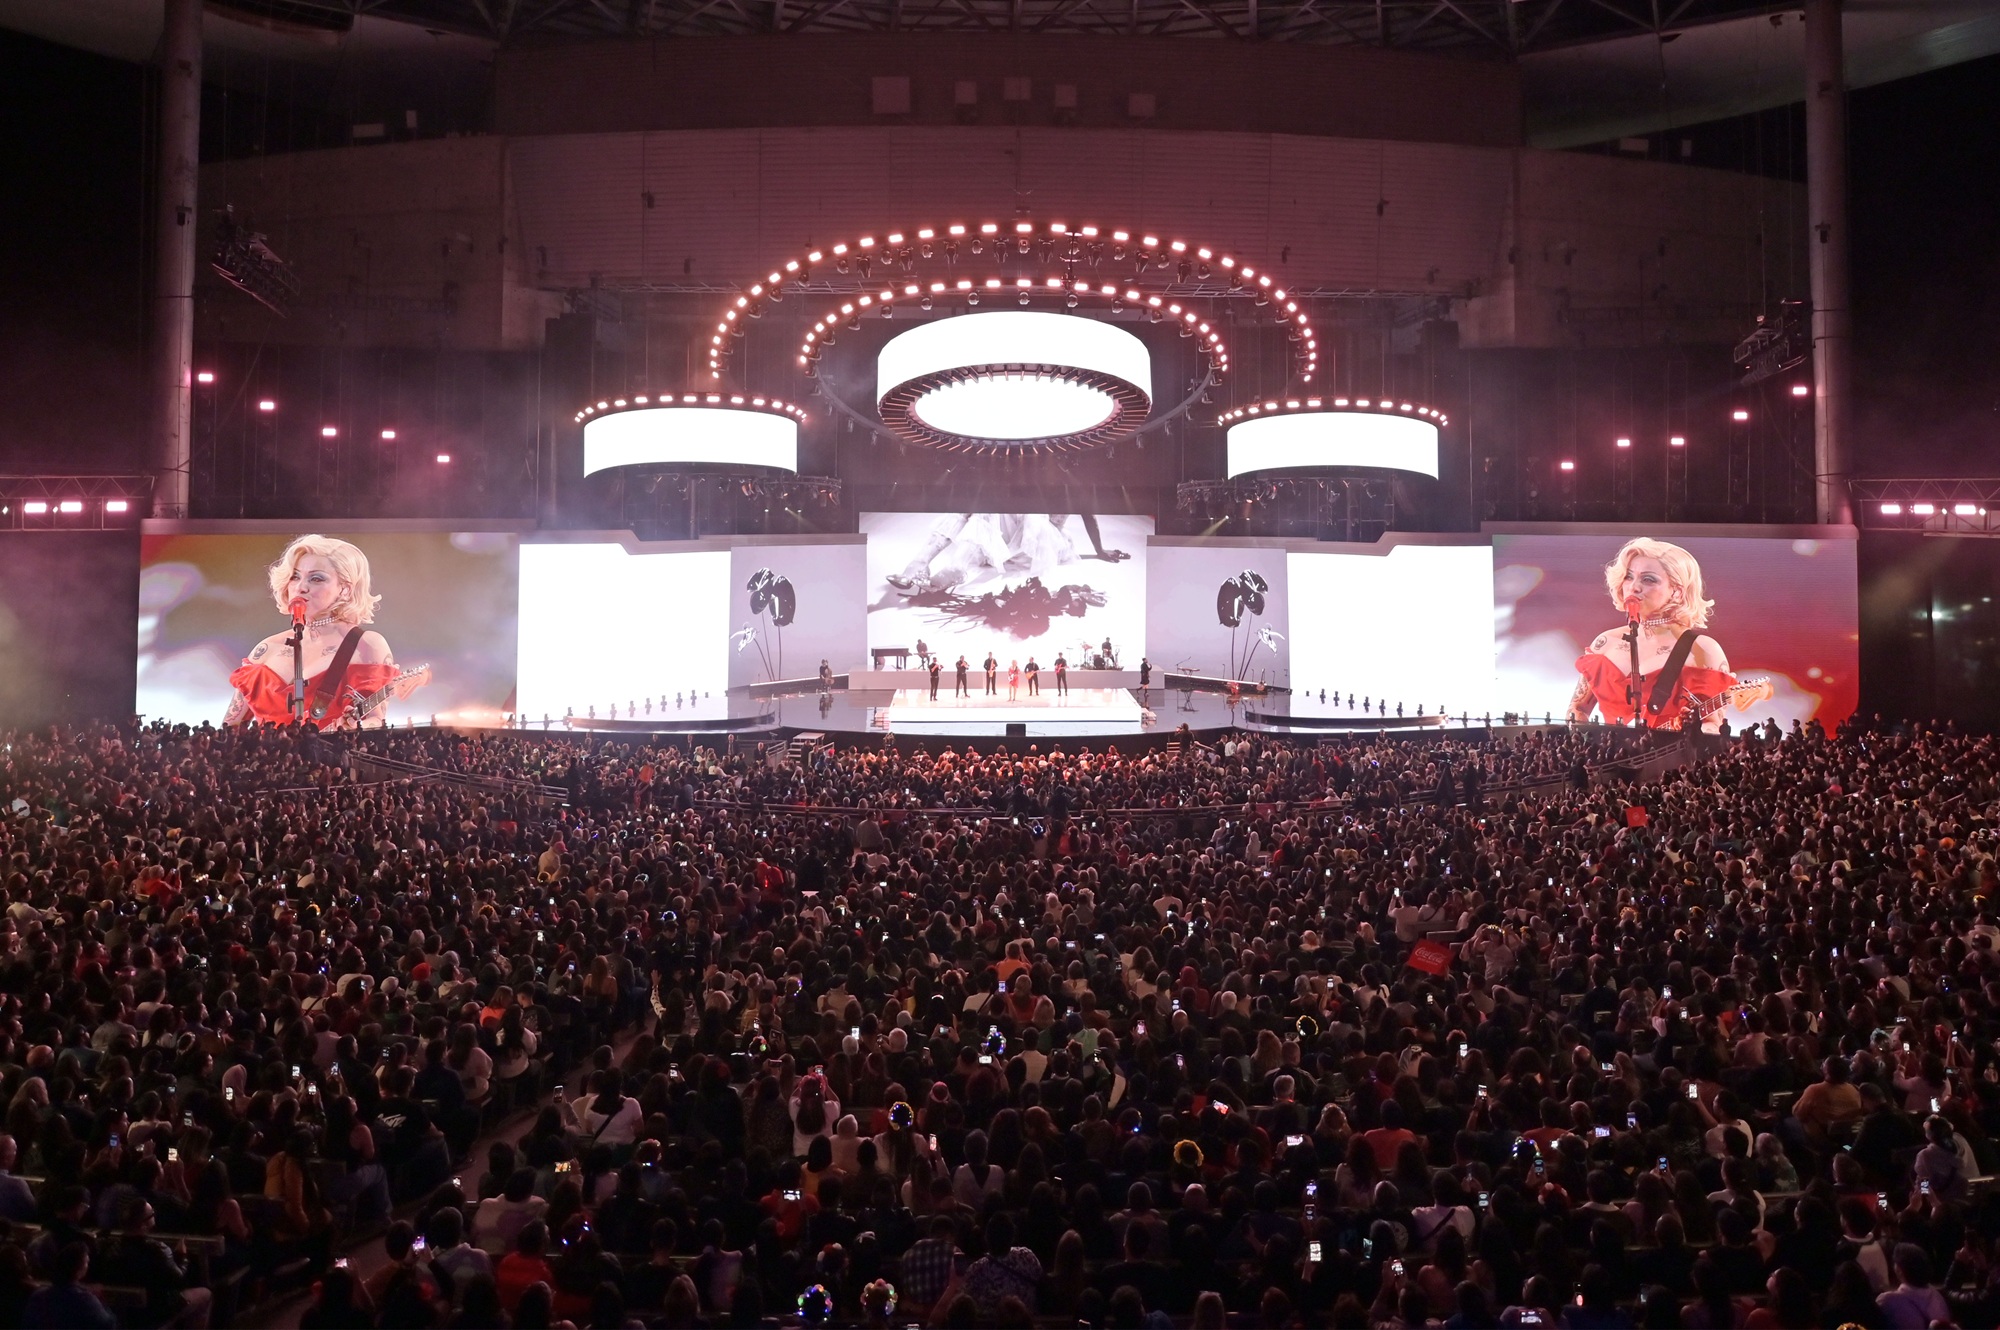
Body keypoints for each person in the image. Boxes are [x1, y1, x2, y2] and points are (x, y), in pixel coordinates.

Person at [1566, 536, 1764, 732]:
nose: (1633, 586)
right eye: (1628, 576)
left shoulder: (1702, 649)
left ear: (1677, 591)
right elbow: (1576, 709)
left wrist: (1691, 730)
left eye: (1648, 579)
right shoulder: (1604, 643)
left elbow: (1713, 725)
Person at [225, 532, 413, 729]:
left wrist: (355, 726)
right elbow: (230, 727)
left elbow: (377, 720)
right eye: (295, 577)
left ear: (345, 589)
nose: (300, 587)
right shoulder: (266, 648)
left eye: (316, 579)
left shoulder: (366, 645)